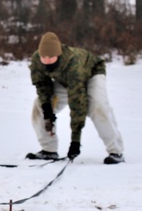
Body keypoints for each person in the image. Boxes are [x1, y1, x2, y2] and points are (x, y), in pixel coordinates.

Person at [27, 32, 124, 164]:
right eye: (44, 56)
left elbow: (77, 102)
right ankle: (49, 150)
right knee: (39, 106)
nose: (47, 60)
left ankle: (116, 151)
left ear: (58, 54)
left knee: (98, 106)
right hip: (65, 80)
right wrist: (47, 109)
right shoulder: (37, 60)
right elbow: (42, 85)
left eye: (51, 56)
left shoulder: (73, 62)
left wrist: (75, 141)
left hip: (92, 74)